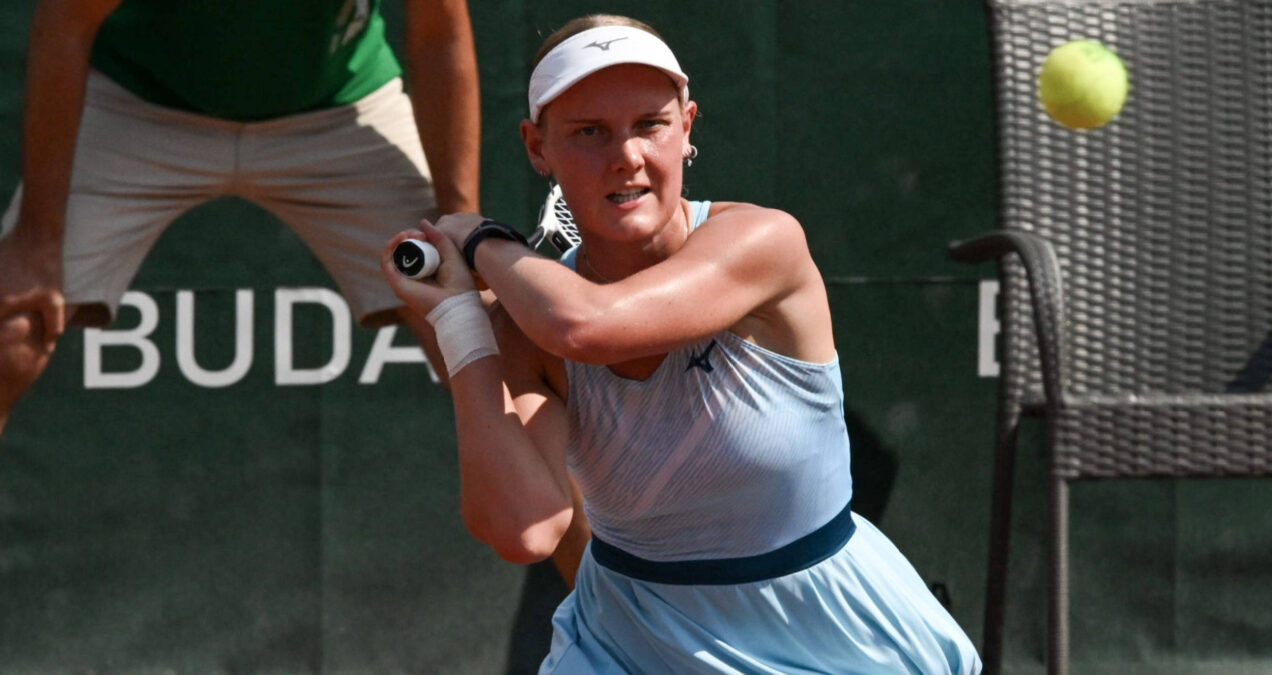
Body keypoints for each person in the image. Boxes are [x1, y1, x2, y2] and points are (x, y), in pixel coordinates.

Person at [383, 13, 983, 674]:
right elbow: (525, 527)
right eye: (589, 132)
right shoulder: (529, 321)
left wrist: (480, 238)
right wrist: (461, 322)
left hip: (825, 629)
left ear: (687, 126)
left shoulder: (764, 242)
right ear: (537, 147)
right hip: (626, 641)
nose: (626, 156)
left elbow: (586, 326)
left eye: (650, 124)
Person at [0, 0, 480, 436]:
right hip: (134, 102)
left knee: (484, 340)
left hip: (340, 108)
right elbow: (65, 20)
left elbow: (439, 33)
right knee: (12, 328)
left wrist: (460, 225)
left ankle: (548, 529)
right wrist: (35, 242)